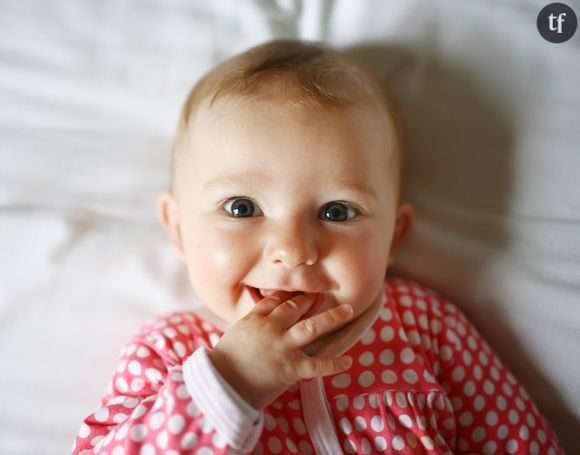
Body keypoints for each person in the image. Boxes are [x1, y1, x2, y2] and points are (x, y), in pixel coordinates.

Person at [72, 39, 563, 454]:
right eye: (242, 208)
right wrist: (228, 382)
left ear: (393, 236)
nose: (292, 249)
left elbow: (521, 439)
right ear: (178, 229)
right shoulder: (169, 352)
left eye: (337, 212)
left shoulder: (426, 325)